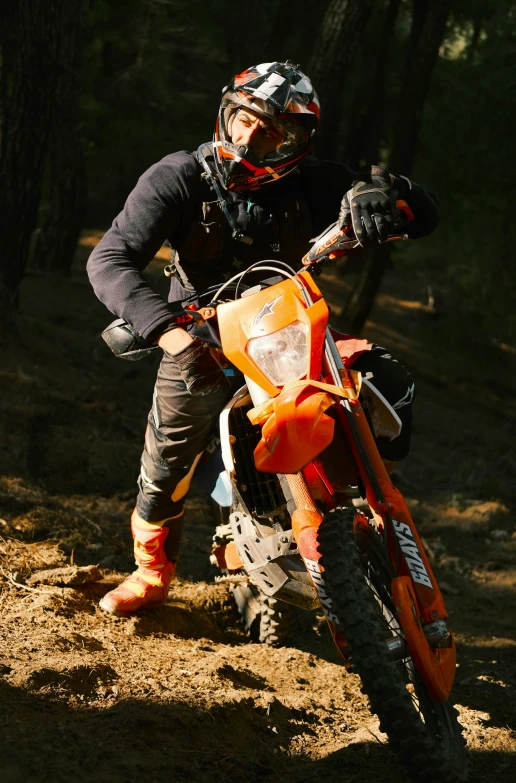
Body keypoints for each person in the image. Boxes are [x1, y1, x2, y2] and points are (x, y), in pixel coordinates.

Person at [87, 61, 439, 617]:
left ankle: (365, 507)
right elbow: (109, 257)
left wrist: (381, 191)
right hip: (199, 337)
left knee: (388, 384)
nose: (250, 138)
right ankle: (151, 572)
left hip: (294, 328)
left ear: (296, 141)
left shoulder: (316, 183)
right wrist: (166, 330)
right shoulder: (178, 176)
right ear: (225, 113)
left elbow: (422, 215)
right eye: (243, 119)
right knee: (166, 467)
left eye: (271, 131)